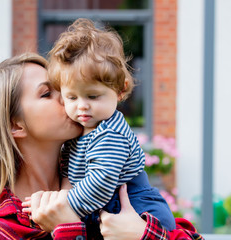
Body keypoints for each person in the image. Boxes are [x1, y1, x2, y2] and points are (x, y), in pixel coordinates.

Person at [0, 52, 203, 239]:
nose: (72, 98)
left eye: (63, 86)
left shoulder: (102, 171)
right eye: (47, 93)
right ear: (15, 125)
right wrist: (67, 229)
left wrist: (143, 234)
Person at [43, 18, 175, 235]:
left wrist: (66, 207)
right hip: (101, 208)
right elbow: (68, 174)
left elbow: (102, 179)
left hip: (137, 207)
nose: (82, 106)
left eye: (93, 96)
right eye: (72, 97)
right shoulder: (76, 133)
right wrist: (61, 196)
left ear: (120, 90)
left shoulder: (110, 132)